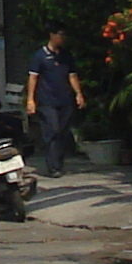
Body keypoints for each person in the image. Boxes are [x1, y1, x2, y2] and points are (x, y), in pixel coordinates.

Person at [25, 28, 80, 178]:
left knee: (62, 132)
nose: (61, 39)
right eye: (59, 36)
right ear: (52, 35)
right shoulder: (40, 56)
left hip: (65, 99)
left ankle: (58, 164)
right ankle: (52, 166)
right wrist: (30, 100)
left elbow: (72, 75)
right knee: (52, 130)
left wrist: (78, 94)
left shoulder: (66, 56)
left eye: (63, 36)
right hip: (47, 100)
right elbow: (33, 78)